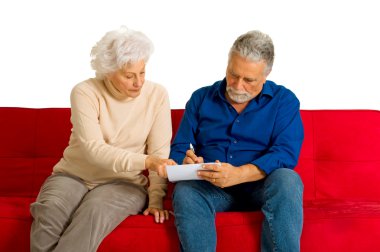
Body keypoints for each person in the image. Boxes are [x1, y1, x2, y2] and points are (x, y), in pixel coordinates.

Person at [30, 26, 176, 252]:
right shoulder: (85, 92)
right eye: (129, 76)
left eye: (142, 72)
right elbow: (94, 150)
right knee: (50, 211)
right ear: (108, 71)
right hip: (73, 175)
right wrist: (146, 161)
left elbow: (159, 153)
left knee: (94, 212)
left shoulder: (157, 95)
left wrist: (156, 200)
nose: (138, 82)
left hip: (124, 182)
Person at [170, 30, 304, 252]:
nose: (237, 85)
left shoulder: (284, 100)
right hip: (211, 188)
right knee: (185, 190)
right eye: (233, 74)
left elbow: (285, 153)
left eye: (249, 80)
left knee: (287, 179)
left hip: (262, 186)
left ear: (265, 76)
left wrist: (239, 174)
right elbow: (178, 149)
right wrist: (185, 161)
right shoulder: (201, 98)